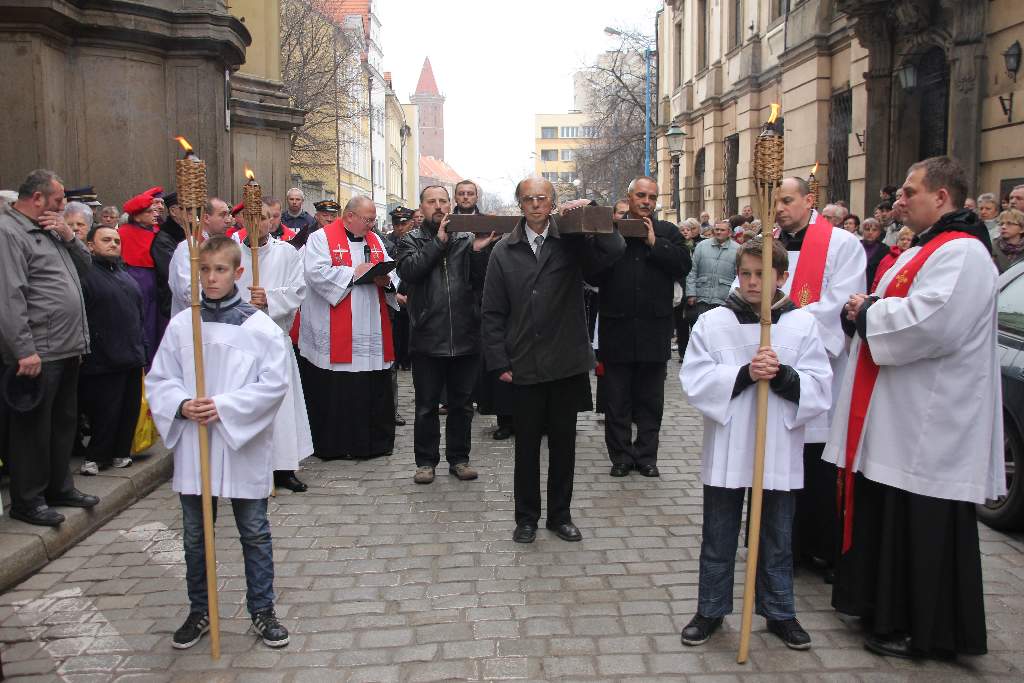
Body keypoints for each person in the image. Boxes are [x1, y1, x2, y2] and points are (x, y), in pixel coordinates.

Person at [826, 156, 1002, 660]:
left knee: (921, 523)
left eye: (909, 191)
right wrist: (869, 307)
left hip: (933, 421)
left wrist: (870, 311)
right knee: (893, 515)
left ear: (941, 198)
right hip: (903, 415)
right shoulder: (927, 248)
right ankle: (884, 607)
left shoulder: (964, 254)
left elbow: (934, 323)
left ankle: (922, 626)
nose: (897, 200)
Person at [679, 237, 831, 650]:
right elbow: (693, 377)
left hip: (778, 444)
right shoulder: (714, 322)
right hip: (729, 443)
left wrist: (783, 377)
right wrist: (744, 374)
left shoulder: (801, 324)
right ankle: (710, 609)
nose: (750, 282)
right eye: (744, 273)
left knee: (778, 534)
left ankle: (780, 611)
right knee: (719, 532)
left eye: (761, 275)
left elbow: (820, 382)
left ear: (782, 277)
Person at [146, 236, 291, 650]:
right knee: (196, 534)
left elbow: (273, 385)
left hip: (238, 443)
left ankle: (262, 610)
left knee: (254, 531)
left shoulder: (258, 327)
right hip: (196, 443)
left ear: (238, 274)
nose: (211, 278)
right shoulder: (182, 325)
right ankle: (200, 610)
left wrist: (224, 406)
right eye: (204, 270)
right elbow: (160, 378)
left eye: (220, 270)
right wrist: (180, 405)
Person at [481, 177, 625, 543]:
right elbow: (492, 312)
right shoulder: (504, 251)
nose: (535, 205)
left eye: (541, 198)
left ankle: (560, 515)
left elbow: (611, 254)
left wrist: (590, 212)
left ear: (552, 201)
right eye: (528, 199)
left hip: (565, 361)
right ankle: (526, 517)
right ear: (520, 203)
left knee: (564, 446)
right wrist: (500, 363)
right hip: (524, 362)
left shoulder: (570, 240)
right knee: (526, 448)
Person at [771, 177, 865, 577]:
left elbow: (839, 304)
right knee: (781, 455)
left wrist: (788, 329)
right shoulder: (767, 243)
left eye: (787, 200)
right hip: (775, 364)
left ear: (810, 201)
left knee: (818, 461)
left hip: (819, 366)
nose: (779, 208)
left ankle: (824, 546)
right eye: (775, 201)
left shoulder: (843, 245)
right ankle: (781, 545)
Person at [0, 169, 99, 526]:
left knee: (62, 424)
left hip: (67, 344)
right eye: (58, 201)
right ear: (37, 198)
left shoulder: (52, 229)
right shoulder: (9, 231)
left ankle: (60, 486)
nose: (63, 206)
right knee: (33, 429)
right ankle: (28, 499)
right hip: (38, 349)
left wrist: (70, 236)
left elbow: (86, 267)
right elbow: (9, 296)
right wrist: (23, 349)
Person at [396, 186, 496, 484]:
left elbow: (480, 281)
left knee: (462, 405)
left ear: (450, 205)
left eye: (443, 201)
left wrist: (479, 252)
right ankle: (426, 462)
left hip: (465, 333)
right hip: (428, 334)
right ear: (422, 207)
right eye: (431, 202)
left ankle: (459, 459)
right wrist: (438, 243)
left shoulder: (466, 237)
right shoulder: (410, 239)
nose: (438, 206)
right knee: (426, 405)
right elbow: (410, 272)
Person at [592, 176, 690, 478]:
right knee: (616, 400)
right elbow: (593, 273)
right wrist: (614, 242)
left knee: (651, 401)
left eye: (652, 196)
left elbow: (683, 265)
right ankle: (620, 457)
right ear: (629, 197)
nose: (646, 201)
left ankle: (647, 456)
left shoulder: (667, 232)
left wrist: (653, 244)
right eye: (641, 196)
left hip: (654, 331)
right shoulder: (611, 231)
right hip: (617, 330)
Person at [298, 196, 400, 461]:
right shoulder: (321, 238)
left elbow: (392, 271)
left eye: (374, 220)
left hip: (371, 321)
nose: (372, 225)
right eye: (368, 220)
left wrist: (386, 280)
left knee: (372, 382)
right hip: (336, 322)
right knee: (340, 385)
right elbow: (315, 273)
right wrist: (355, 274)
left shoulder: (375, 240)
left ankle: (375, 443)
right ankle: (336, 445)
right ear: (349, 216)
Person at [235, 199, 312, 493]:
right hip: (241, 341)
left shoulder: (286, 253)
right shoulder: (231, 253)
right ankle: (247, 466)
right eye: (254, 217)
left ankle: (283, 467)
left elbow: (298, 290)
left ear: (273, 221)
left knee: (281, 407)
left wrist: (269, 298)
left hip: (274, 338)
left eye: (267, 217)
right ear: (242, 220)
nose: (261, 223)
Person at [78, 226, 146, 475]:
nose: (113, 244)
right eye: (106, 240)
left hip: (131, 353)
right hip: (103, 356)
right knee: (105, 410)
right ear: (90, 245)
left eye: (117, 240)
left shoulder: (124, 273)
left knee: (128, 409)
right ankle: (96, 456)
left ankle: (120, 452)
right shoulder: (86, 275)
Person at [119, 187, 163, 366]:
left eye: (155, 211)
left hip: (155, 282)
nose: (155, 214)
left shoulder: (158, 232)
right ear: (137, 216)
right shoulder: (122, 233)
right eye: (149, 212)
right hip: (134, 279)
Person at [168, 198, 231, 317]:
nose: (228, 220)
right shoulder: (187, 248)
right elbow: (189, 292)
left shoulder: (221, 246)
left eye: (228, 214)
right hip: (192, 323)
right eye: (223, 215)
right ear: (206, 218)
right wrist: (226, 302)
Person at [686, 220, 738, 316]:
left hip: (724, 299)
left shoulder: (738, 250)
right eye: (717, 229)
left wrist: (735, 298)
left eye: (722, 230)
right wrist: (691, 293)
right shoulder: (701, 246)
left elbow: (738, 277)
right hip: (702, 297)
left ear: (729, 233)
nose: (718, 232)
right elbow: (692, 270)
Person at [151, 192, 186, 326]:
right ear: (173, 211)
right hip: (172, 304)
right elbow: (172, 272)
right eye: (185, 208)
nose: (192, 212)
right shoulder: (164, 239)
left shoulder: (186, 233)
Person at [871, 226, 914, 292]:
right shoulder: (888, 258)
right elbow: (878, 279)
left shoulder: (914, 258)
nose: (905, 242)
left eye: (908, 240)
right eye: (902, 239)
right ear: (897, 241)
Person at [992, 208, 1024, 273]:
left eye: (1009, 223)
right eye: (1001, 224)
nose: (1003, 227)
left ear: (1022, 229)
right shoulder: (992, 247)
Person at [860, 218, 888, 289]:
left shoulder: (885, 249)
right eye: (867, 229)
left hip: (874, 287)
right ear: (862, 231)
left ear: (879, 233)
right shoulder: (856, 246)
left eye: (874, 230)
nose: (870, 232)